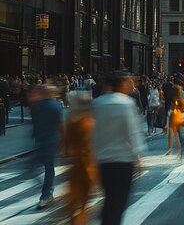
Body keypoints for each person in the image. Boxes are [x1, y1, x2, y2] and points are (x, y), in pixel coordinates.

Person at [91, 71, 146, 225]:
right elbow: (133, 133)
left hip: (102, 161)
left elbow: (92, 132)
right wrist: (138, 158)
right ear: (121, 85)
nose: (132, 85)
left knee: (109, 199)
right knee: (118, 202)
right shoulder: (126, 103)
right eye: (129, 82)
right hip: (122, 161)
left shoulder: (97, 103)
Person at [29, 84, 64, 209]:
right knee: (49, 168)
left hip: (39, 140)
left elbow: (34, 121)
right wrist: (63, 141)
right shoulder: (57, 106)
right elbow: (61, 125)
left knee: (32, 168)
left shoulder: (36, 106)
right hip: (52, 140)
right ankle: (46, 194)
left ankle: (45, 191)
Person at [65, 90, 96, 225]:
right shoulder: (88, 122)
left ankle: (75, 220)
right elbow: (89, 147)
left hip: (75, 165)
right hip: (86, 165)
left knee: (73, 201)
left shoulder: (70, 121)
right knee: (83, 201)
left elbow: (66, 145)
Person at [167, 86, 184, 158]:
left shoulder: (175, 98)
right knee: (177, 134)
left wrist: (175, 108)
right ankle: (180, 151)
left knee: (173, 133)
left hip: (174, 117)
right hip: (179, 117)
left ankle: (172, 149)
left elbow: (172, 108)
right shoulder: (180, 98)